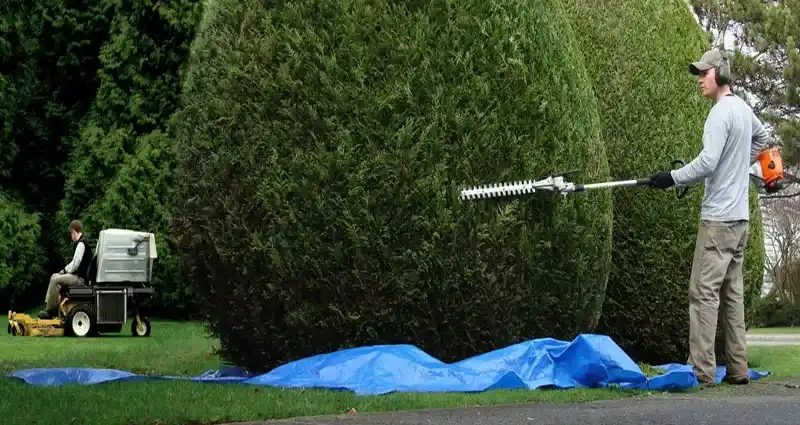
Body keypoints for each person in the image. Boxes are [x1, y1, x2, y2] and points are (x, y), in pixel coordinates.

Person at [648, 48, 769, 387]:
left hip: (717, 221)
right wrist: (740, 162)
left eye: (704, 73)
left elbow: (707, 163)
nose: (700, 80)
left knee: (703, 293)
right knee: (732, 294)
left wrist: (671, 177)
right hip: (741, 221)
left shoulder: (719, 114)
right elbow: (763, 138)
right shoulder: (744, 109)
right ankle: (738, 369)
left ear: (720, 74)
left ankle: (702, 371)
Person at [38, 220, 93, 319]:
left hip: (79, 278)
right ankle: (49, 306)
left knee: (55, 280)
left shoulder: (81, 244)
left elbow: (75, 264)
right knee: (54, 276)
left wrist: (64, 271)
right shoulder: (82, 243)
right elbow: (74, 263)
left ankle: (51, 310)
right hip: (77, 276)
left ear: (74, 231)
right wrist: (64, 271)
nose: (71, 236)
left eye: (71, 233)